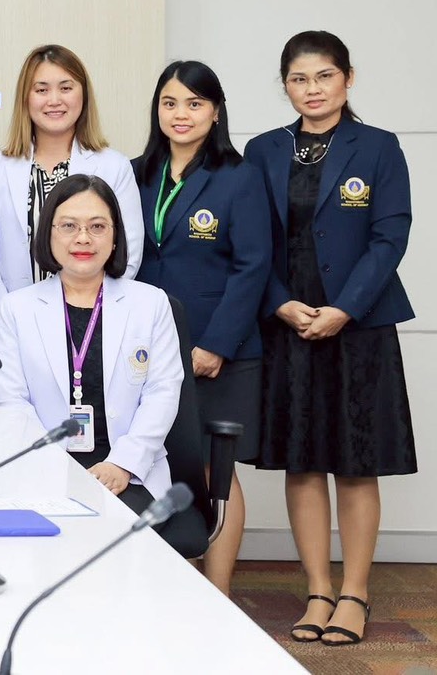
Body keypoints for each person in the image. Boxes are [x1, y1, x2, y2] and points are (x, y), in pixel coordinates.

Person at [243, 31, 416, 647]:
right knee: (304, 460)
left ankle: (355, 593)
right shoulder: (263, 150)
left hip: (358, 326)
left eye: (324, 76)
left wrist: (344, 308)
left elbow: (390, 237)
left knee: (356, 463)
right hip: (289, 323)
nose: (312, 89)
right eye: (299, 79)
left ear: (348, 78)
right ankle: (318, 589)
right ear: (285, 86)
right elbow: (250, 240)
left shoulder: (379, 147)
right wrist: (279, 303)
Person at [132, 60, 270, 595]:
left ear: (216, 112)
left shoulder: (239, 176)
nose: (181, 114)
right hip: (148, 350)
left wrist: (216, 344)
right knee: (156, 465)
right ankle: (175, 589)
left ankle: (219, 593)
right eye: (170, 103)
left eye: (194, 103)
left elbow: (253, 266)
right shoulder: (135, 173)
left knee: (215, 472)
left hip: (217, 351)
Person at [0, 175, 182, 514]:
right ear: (48, 233)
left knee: (113, 530)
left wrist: (122, 465)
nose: (83, 238)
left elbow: (162, 393)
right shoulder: (17, 308)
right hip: (42, 467)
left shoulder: (150, 303)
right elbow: (11, 403)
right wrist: (53, 469)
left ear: (115, 236)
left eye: (97, 227)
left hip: (128, 470)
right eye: (68, 226)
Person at [0, 44, 144, 404]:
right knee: (11, 431)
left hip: (90, 333)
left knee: (93, 430)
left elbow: (126, 255)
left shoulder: (113, 166)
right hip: (11, 335)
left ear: (83, 95)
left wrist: (83, 314)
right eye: (41, 89)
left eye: (66, 87)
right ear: (25, 98)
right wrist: (14, 319)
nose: (54, 100)